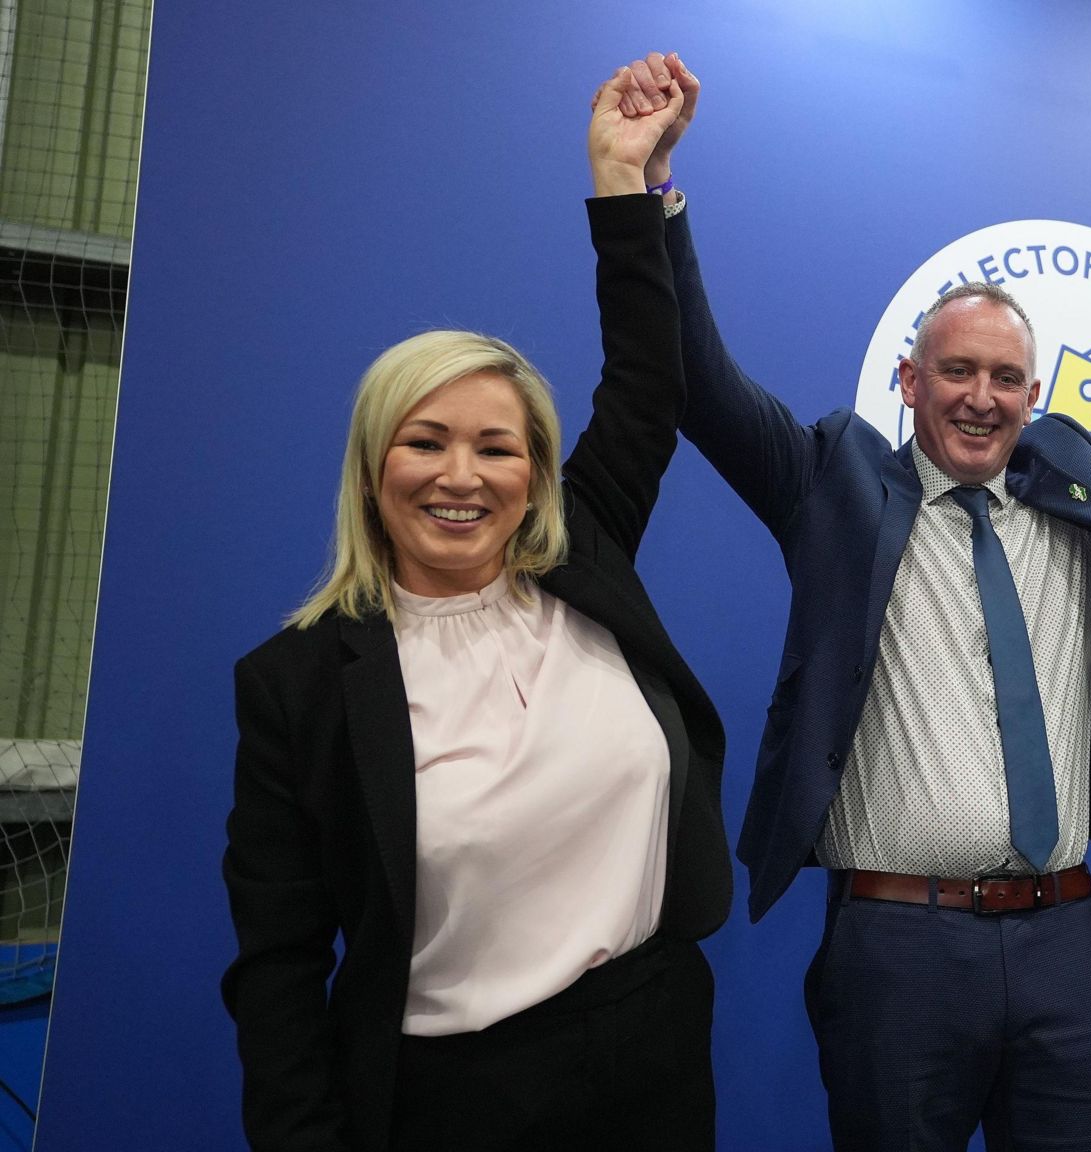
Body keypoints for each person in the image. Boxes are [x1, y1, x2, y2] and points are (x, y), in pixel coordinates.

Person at [611, 51, 1091, 1152]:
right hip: (895, 946)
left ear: (1033, 395)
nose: (980, 397)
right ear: (909, 381)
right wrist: (653, 192)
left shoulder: (1080, 490)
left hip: (1067, 937)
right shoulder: (830, 487)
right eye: (955, 371)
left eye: (1003, 378)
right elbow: (693, 372)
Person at [220, 66, 729, 1152]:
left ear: (536, 476)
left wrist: (619, 177)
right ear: (371, 471)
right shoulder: (297, 683)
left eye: (497, 447)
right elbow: (278, 964)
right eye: (425, 442)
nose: (462, 476)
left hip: (653, 1054)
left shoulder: (580, 556)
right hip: (454, 1101)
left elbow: (648, 377)